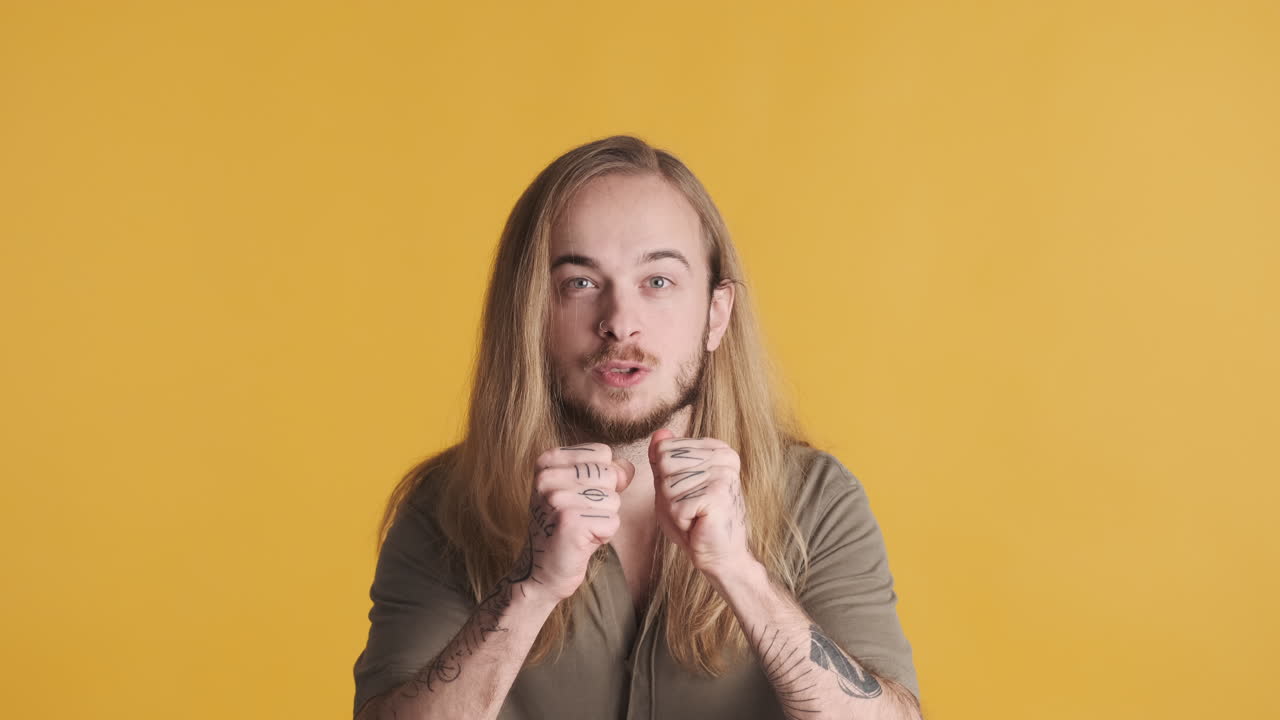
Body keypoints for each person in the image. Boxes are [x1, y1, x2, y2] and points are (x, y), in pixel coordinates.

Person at [352, 135, 922, 720]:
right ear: (529, 316)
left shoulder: (817, 499)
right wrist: (531, 588)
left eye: (658, 282)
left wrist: (740, 574)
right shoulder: (448, 506)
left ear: (716, 315)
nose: (621, 323)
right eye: (580, 283)